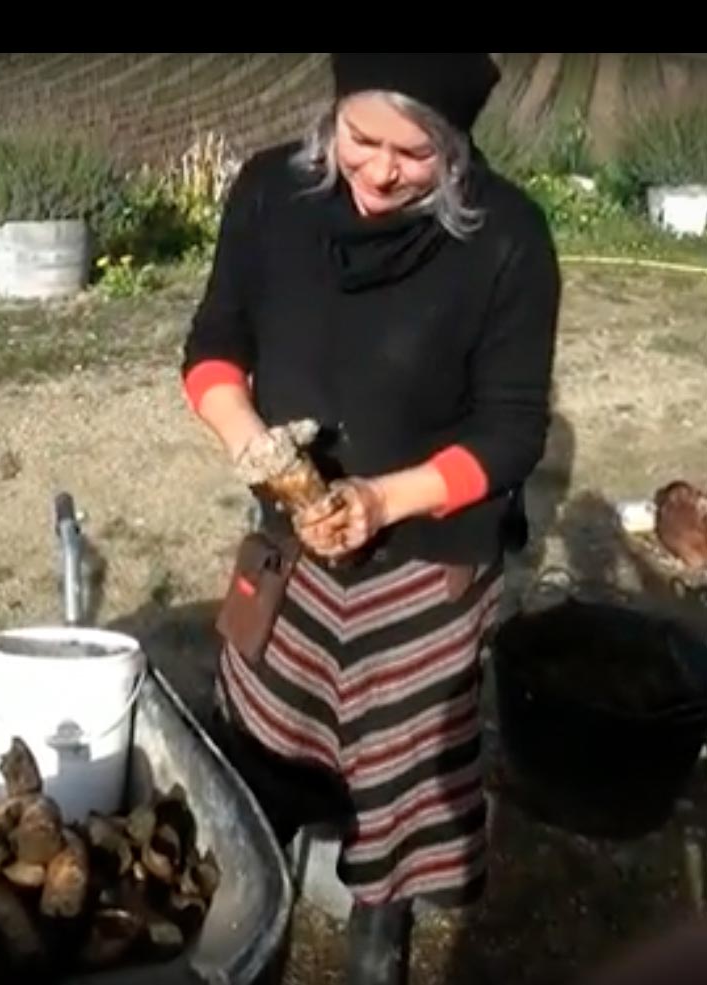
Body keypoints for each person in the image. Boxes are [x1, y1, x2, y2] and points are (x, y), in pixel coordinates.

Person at [180, 54, 561, 984]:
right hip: (289, 542)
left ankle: (376, 942)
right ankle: (246, 926)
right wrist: (253, 446)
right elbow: (215, 341)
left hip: (427, 561)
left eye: (413, 152)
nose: (380, 170)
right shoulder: (272, 191)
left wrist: (382, 498)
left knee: (396, 779)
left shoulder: (507, 237)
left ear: (457, 148)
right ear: (332, 116)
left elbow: (510, 432)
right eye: (360, 139)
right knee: (263, 745)